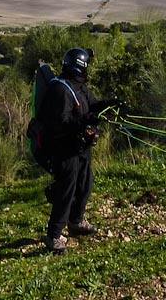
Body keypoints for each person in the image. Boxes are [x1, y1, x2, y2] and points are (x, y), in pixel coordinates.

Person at [38, 47, 110, 254]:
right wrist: (86, 120)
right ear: (81, 67)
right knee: (66, 191)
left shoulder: (79, 87)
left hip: (80, 146)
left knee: (85, 184)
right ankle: (53, 236)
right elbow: (62, 123)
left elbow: (93, 105)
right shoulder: (61, 91)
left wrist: (109, 104)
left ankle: (76, 221)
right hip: (64, 149)